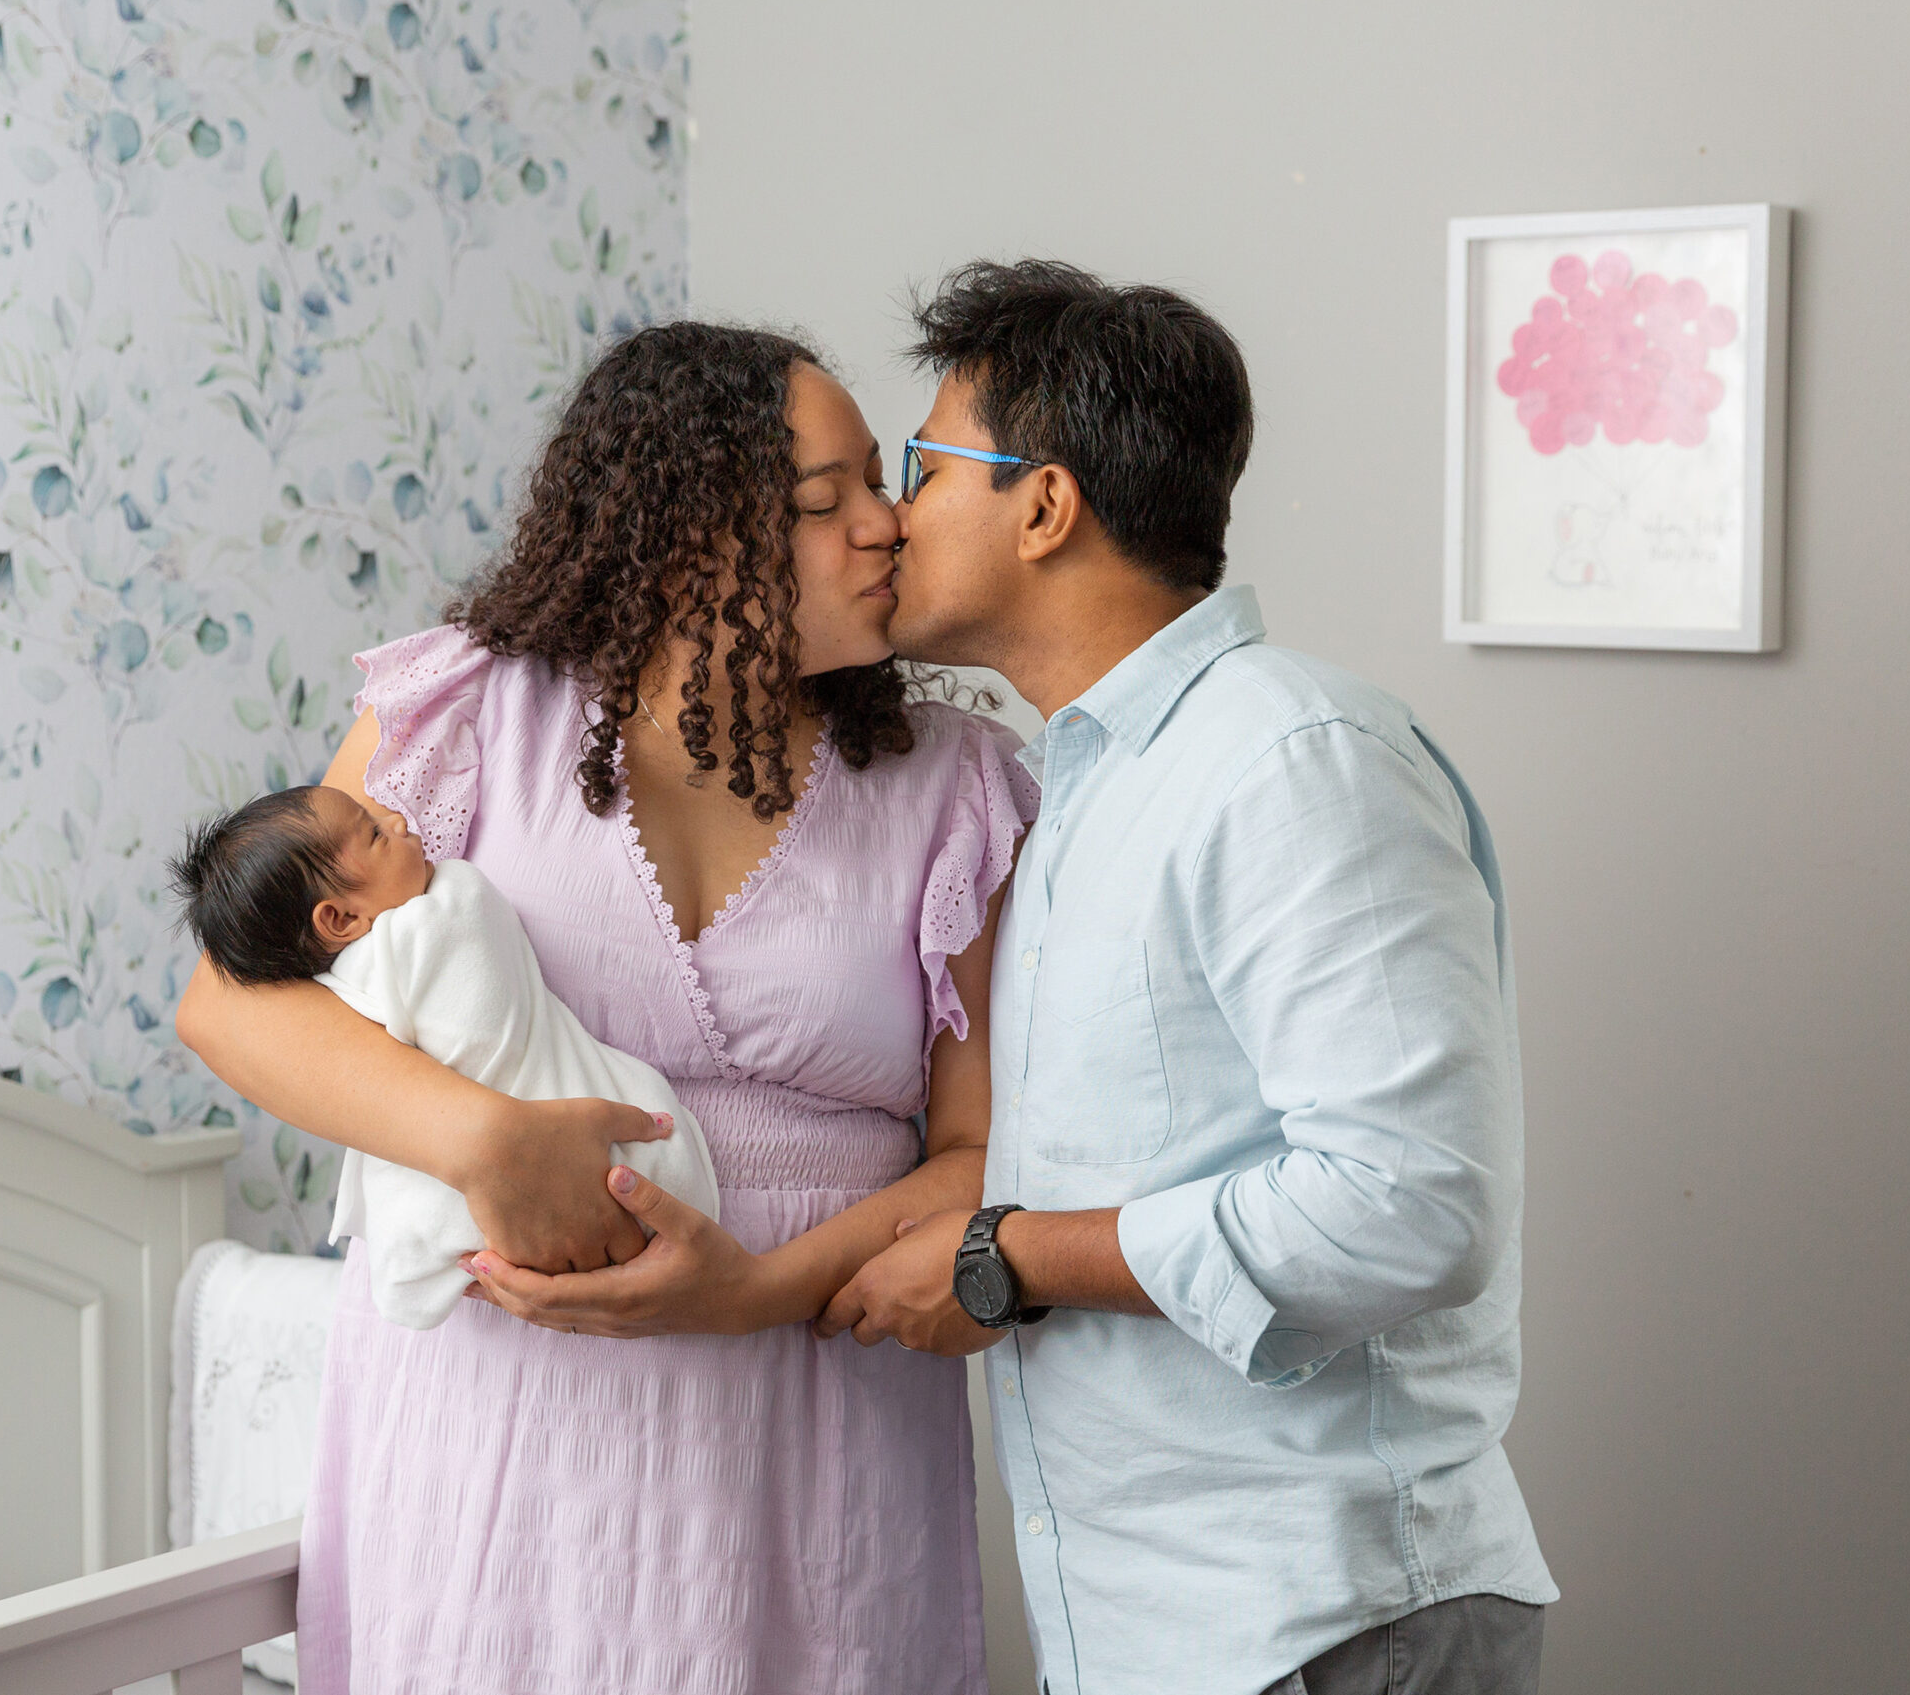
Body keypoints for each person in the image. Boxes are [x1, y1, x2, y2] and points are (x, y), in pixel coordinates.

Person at [174, 322, 1037, 1693]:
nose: (887, 525)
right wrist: (483, 1142)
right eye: (828, 500)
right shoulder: (470, 711)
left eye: (882, 483)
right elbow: (233, 1006)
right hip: (499, 1429)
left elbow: (981, 1155)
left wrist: (754, 1293)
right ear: (691, 540)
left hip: (814, 1426)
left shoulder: (956, 784)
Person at [819, 260, 1556, 1695]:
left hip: (1327, 1625)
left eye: (924, 468)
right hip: (1161, 1632)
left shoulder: (1293, 761)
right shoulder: (1076, 791)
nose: (892, 516)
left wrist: (1009, 1255)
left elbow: (1410, 1205)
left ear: (1044, 507)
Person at [164, 784, 721, 1329]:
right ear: (340, 920)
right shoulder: (438, 917)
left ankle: (426, 1252)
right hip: (597, 1160)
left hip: (502, 1239)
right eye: (374, 835)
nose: (398, 821)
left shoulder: (349, 983)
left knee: (415, 1205)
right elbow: (209, 1013)